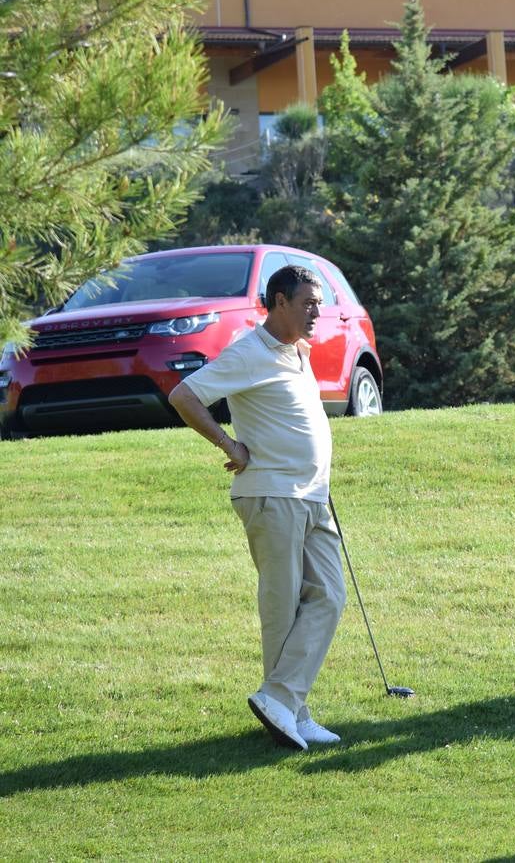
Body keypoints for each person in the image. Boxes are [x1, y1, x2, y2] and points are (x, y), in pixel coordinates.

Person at [168, 264, 345, 751]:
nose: (317, 311)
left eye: (319, 302)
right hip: (271, 496)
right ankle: (290, 708)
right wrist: (229, 445)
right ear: (279, 302)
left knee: (329, 597)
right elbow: (184, 395)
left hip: (312, 496)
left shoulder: (297, 351)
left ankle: (285, 702)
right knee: (282, 609)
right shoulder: (249, 351)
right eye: (308, 302)